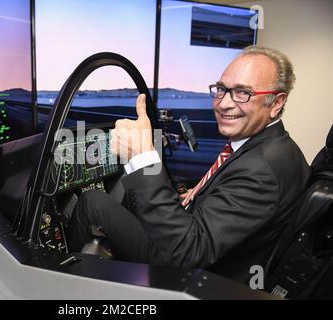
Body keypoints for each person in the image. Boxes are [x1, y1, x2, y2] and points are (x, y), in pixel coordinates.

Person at [67, 46, 311, 283]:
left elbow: (186, 251)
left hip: (193, 272)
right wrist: (198, 195)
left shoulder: (262, 169)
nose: (224, 103)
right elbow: (232, 196)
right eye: (222, 89)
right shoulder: (275, 148)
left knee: (93, 202)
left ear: (277, 102)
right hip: (208, 248)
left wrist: (140, 157)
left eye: (243, 93)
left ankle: (60, 283)